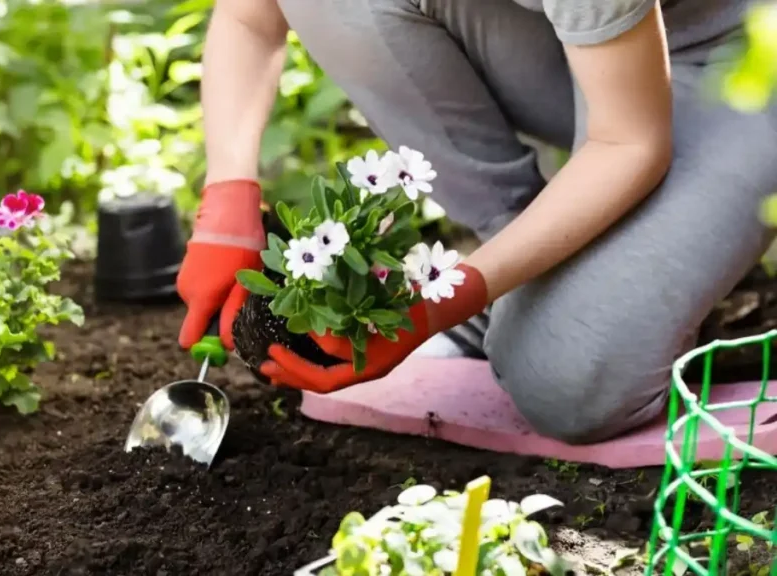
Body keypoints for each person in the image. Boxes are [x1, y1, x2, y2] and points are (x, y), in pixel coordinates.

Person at [175, 0, 777, 445]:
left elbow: (629, 142)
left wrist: (440, 303)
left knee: (565, 384)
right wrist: (226, 202)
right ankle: (529, 275)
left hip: (739, 59)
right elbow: (251, 17)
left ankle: (580, 298)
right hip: (587, 51)